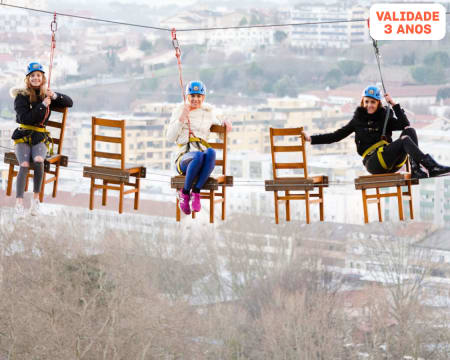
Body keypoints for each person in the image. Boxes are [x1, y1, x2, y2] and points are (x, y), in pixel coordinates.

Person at [303, 85, 450, 179]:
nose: (369, 105)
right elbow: (335, 136)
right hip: (373, 162)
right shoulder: (357, 121)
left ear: (378, 103)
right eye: (366, 101)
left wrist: (394, 105)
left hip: (391, 160)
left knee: (409, 131)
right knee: (404, 140)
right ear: (362, 102)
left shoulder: (384, 119)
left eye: (372, 102)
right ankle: (431, 166)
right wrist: (311, 139)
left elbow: (405, 125)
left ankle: (416, 169)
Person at [11, 62, 73, 217]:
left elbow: (69, 102)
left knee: (39, 160)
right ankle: (19, 203)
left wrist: (54, 96)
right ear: (28, 78)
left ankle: (36, 200)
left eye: (38, 75)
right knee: (24, 164)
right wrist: (42, 105)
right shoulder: (21, 96)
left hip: (39, 136)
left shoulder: (46, 93)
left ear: (43, 78)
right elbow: (25, 118)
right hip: (23, 135)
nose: (36, 78)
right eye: (32, 76)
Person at [166, 80, 231, 215]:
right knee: (199, 155)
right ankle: (185, 194)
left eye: (198, 96)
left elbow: (220, 130)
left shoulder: (208, 113)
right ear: (187, 96)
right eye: (192, 96)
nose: (195, 99)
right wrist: (181, 118)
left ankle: (196, 192)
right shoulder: (180, 110)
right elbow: (170, 137)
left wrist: (225, 123)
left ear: (203, 97)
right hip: (184, 159)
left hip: (201, 158)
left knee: (211, 152)